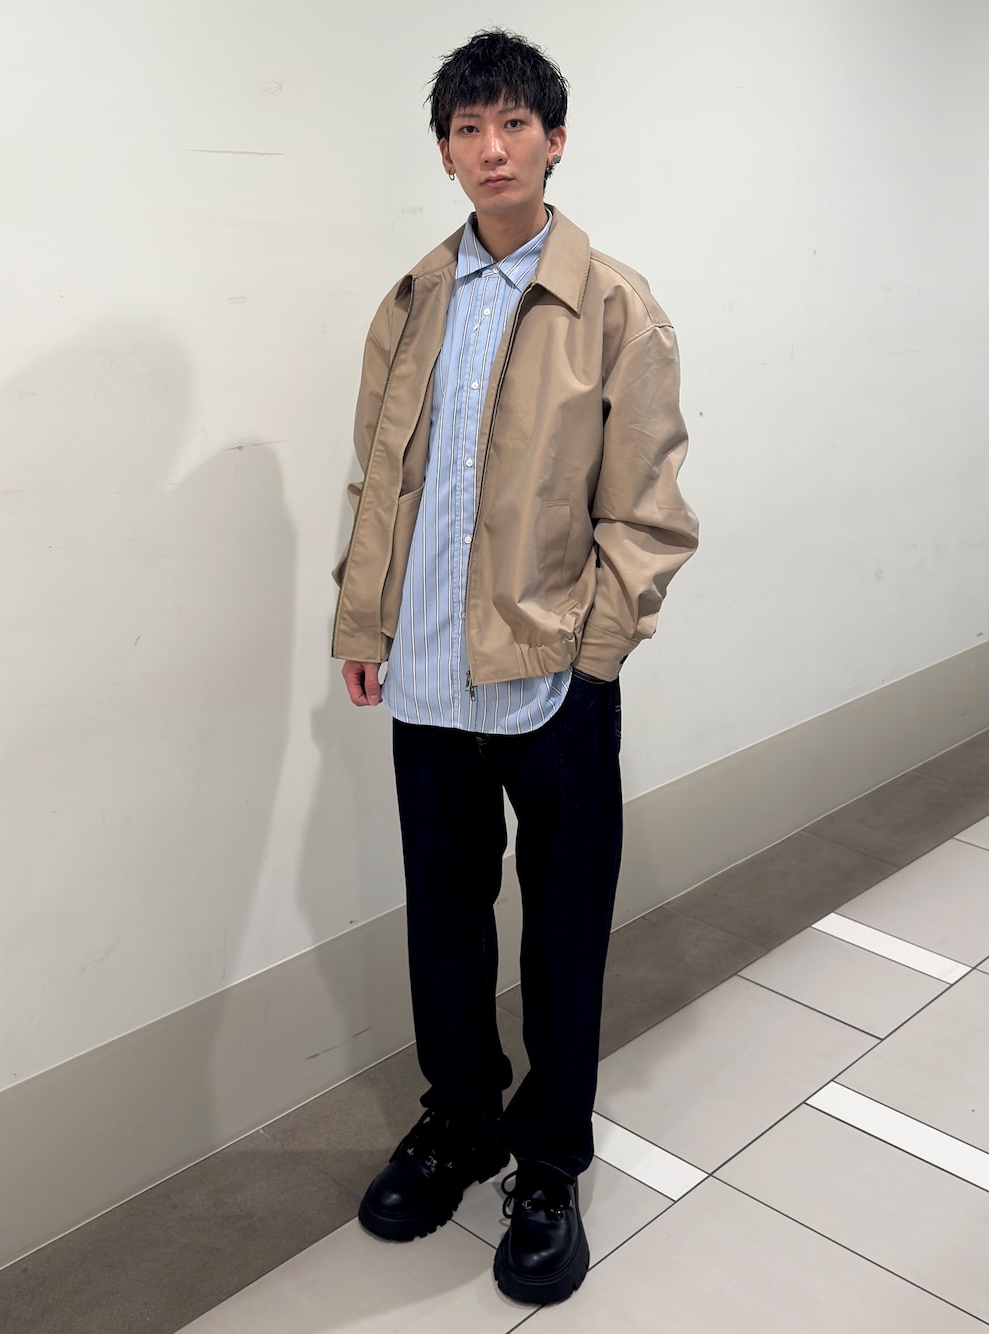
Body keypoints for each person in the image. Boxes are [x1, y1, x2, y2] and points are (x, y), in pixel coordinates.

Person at [332, 28, 698, 1306]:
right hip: (429, 682)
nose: (491, 149)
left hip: (551, 686)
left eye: (513, 125)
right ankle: (460, 1118)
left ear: (554, 140)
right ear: (445, 152)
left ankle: (548, 1161)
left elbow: (647, 511)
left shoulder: (616, 307)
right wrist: (363, 626)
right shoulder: (412, 300)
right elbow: (380, 481)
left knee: (562, 932)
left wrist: (593, 661)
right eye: (466, 129)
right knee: (443, 922)